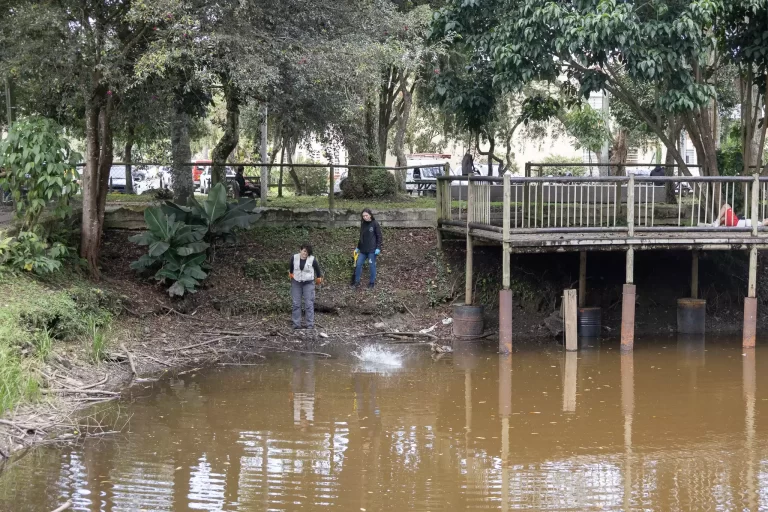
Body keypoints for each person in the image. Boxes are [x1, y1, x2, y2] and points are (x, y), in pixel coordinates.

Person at [289, 244, 323, 329]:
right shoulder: (294, 257)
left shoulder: (312, 259)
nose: (305, 253)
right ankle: (296, 324)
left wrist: (319, 278)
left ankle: (310, 325)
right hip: (296, 282)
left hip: (308, 283)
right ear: (300, 250)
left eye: (307, 252)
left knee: (309, 304)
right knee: (296, 303)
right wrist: (291, 274)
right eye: (304, 251)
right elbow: (291, 267)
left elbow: (317, 270)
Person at [352, 208, 382, 289]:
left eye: (366, 215)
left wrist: (378, 247)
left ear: (370, 215)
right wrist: (358, 247)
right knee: (358, 264)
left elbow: (379, 236)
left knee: (372, 266)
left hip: (372, 250)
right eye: (363, 216)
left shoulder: (375, 223)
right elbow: (361, 237)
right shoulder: (363, 224)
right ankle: (356, 282)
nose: (365, 217)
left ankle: (372, 283)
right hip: (363, 250)